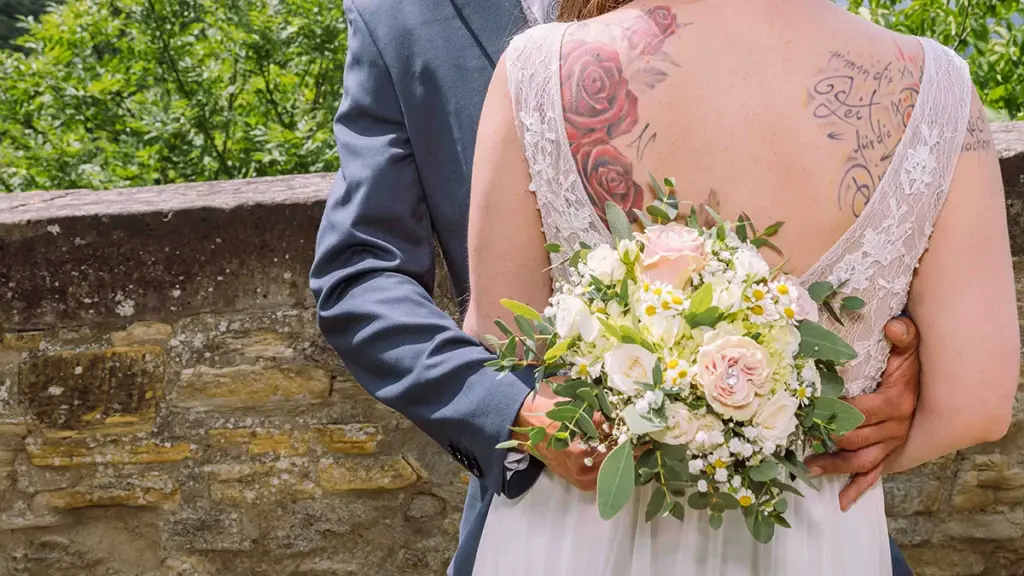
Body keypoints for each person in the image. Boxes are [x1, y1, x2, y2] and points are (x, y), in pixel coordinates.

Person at [309, 1, 929, 574]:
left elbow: (865, 209)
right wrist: (511, 410)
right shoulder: (401, 15)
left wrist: (890, 375)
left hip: (796, 529)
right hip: (552, 521)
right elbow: (361, 272)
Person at [462, 0, 1019, 574]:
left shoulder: (536, 67)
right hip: (807, 535)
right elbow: (975, 405)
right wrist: (842, 435)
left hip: (583, 521)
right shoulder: (936, 86)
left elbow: (502, 335)